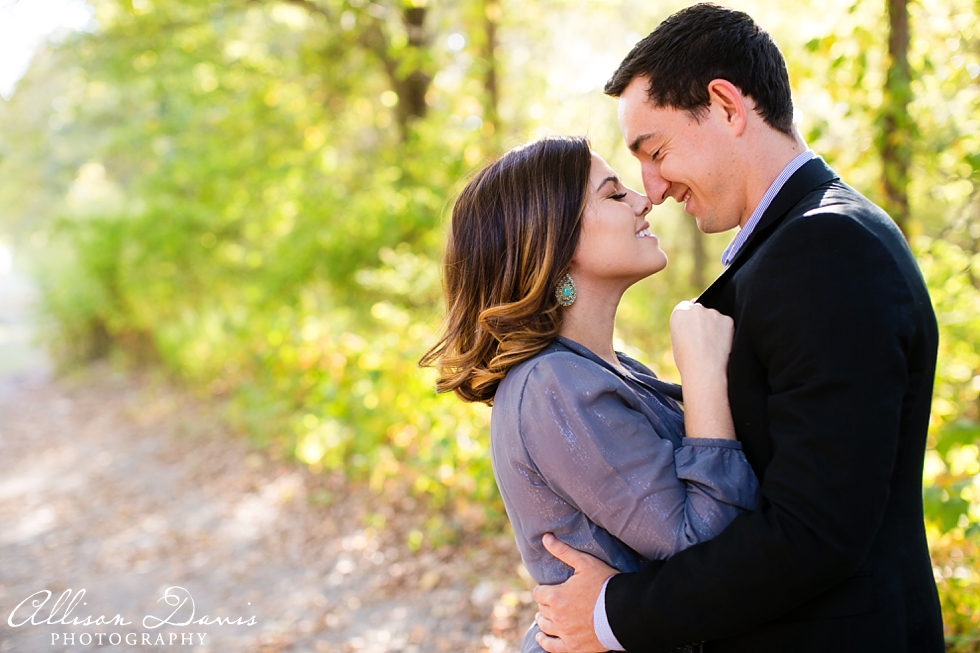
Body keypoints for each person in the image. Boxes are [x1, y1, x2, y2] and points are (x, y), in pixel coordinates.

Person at [531, 4, 944, 653]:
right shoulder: (806, 240)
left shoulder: (825, 247)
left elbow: (815, 530)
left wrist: (617, 613)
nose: (653, 188)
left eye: (656, 151)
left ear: (726, 106)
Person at [420, 135, 760, 653]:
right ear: (554, 242)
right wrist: (704, 375)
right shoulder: (552, 386)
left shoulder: (607, 370)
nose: (645, 199)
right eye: (614, 194)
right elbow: (707, 553)